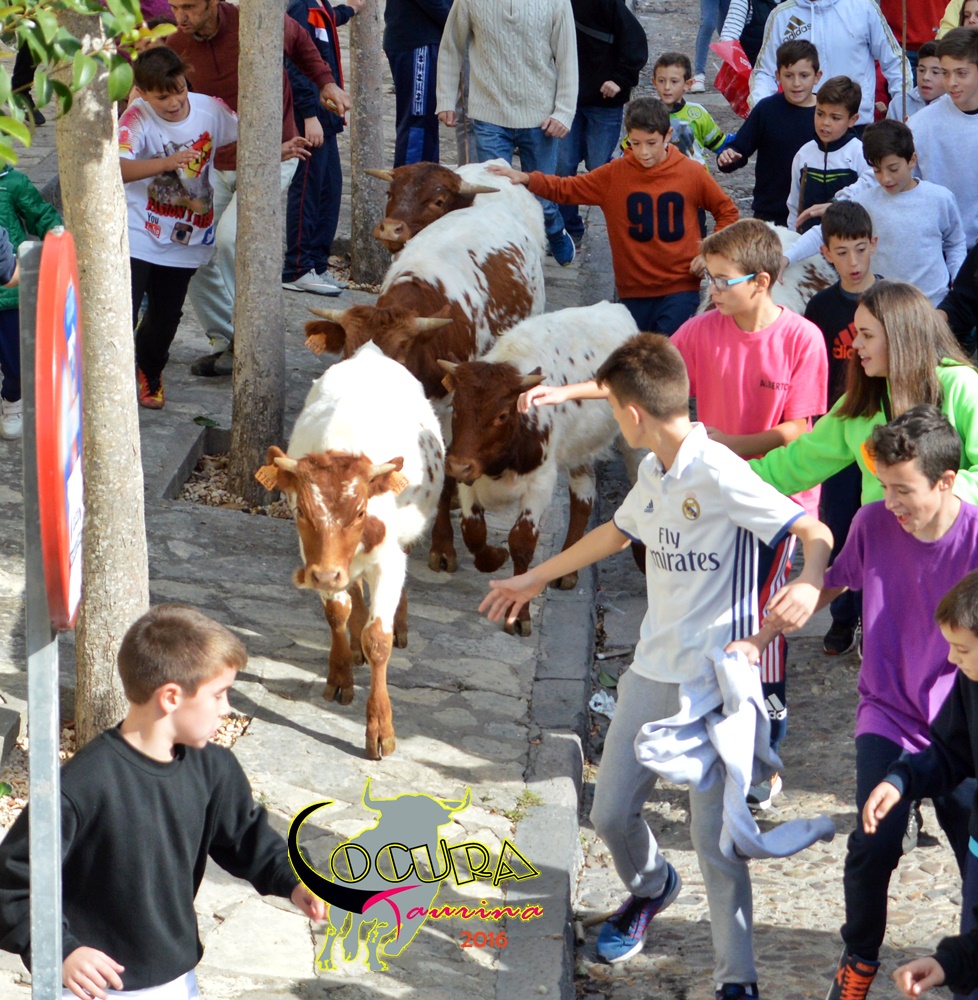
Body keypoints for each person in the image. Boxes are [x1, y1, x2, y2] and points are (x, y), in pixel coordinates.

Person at [480, 332, 833, 999]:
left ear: (635, 414)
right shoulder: (652, 470)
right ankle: (651, 886)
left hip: (715, 686)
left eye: (616, 410)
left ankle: (737, 981)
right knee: (610, 815)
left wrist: (809, 579)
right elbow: (619, 532)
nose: (616, 421)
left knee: (716, 843)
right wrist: (534, 578)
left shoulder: (721, 472)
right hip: (648, 672)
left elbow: (813, 531)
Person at [518, 220, 827, 807]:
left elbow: (795, 431)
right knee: (709, 627)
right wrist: (566, 392)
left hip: (773, 505)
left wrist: (721, 448)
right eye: (709, 277)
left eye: (722, 280)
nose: (711, 290)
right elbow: (641, 379)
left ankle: (762, 755)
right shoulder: (700, 330)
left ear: (761, 282)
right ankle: (707, 731)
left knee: (760, 632)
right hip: (705, 499)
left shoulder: (802, 339)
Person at [0, 604, 326, 999]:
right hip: (93, 989)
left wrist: (295, 881)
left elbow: (247, 838)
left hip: (177, 981)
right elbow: (11, 884)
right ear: (171, 696)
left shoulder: (213, 768)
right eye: (219, 694)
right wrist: (61, 951)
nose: (227, 709)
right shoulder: (82, 785)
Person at [796, 407, 978, 1000]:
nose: (890, 501)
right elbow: (837, 578)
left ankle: (967, 968)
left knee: (974, 851)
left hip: (959, 722)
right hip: (889, 711)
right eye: (883, 486)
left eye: (903, 489)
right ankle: (860, 957)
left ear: (946, 481)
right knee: (873, 843)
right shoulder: (872, 522)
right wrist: (774, 621)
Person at [166, 0, 351, 378]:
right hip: (216, 161)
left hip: (275, 151)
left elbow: (301, 42)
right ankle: (228, 339)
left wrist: (326, 83)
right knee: (188, 246)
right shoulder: (176, 43)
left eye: (189, 7)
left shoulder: (254, 22)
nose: (180, 16)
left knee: (229, 239)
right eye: (174, 7)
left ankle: (250, 336)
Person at [488, 98, 739, 335]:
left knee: (670, 353)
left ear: (668, 136)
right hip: (632, 291)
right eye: (635, 143)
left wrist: (710, 253)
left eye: (651, 143)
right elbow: (567, 188)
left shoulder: (692, 173)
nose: (643, 152)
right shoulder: (614, 174)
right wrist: (528, 178)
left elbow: (727, 211)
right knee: (637, 358)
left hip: (680, 287)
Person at [749, 281, 978, 514]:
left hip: (953, 535)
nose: (856, 344)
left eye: (867, 335)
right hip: (881, 535)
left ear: (900, 337)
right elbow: (796, 463)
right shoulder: (861, 401)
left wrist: (924, 494)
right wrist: (729, 477)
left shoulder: (960, 384)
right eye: (857, 333)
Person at [119, 47, 238, 410]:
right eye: (162, 97)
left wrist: (282, 148)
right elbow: (118, 168)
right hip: (139, 229)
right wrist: (167, 162)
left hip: (188, 235)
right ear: (141, 92)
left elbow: (248, 135)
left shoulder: (210, 109)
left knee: (166, 317)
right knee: (124, 309)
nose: (173, 103)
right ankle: (114, 381)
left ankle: (150, 370)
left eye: (180, 91)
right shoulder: (135, 118)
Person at [884, 571, 978, 1000]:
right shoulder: (971, 681)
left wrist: (953, 963)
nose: (952, 660)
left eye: (963, 649)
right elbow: (949, 749)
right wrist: (902, 779)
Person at [434, 0, 580, 267]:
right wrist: (445, 98)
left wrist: (564, 112)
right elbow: (451, 46)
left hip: (540, 115)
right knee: (494, 197)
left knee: (542, 199)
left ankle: (554, 228)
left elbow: (567, 57)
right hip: (489, 112)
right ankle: (508, 262)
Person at [784, 119, 966, 308]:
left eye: (893, 169)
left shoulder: (940, 198)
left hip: (932, 305)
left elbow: (955, 243)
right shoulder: (864, 202)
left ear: (912, 160)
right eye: (877, 171)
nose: (886, 178)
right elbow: (825, 232)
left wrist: (957, 279)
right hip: (883, 306)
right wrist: (787, 257)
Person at [802, 201, 877, 656]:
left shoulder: (891, 299)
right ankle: (842, 616)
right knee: (838, 524)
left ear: (874, 245)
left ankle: (874, 616)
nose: (853, 262)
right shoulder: (821, 307)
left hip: (882, 435)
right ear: (826, 253)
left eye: (861, 249)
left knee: (880, 525)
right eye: (842, 252)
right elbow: (813, 370)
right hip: (837, 435)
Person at [282, 0, 363, 297]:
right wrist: (308, 115)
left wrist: (350, 9)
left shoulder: (321, 5)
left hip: (327, 117)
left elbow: (330, 21)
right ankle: (297, 268)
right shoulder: (300, 7)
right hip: (311, 118)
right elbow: (295, 63)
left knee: (330, 190)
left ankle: (316, 264)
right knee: (307, 190)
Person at [554, 0, 648, 247]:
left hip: (604, 102)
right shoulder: (554, 5)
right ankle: (569, 228)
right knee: (564, 164)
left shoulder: (607, 4)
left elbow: (635, 41)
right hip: (568, 99)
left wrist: (620, 79)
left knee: (599, 166)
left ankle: (626, 223)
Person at [749, 0, 911, 126]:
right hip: (800, 124)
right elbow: (765, 73)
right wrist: (763, 115)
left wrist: (901, 111)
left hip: (855, 123)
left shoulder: (864, 8)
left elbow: (895, 61)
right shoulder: (782, 15)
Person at [717, 39, 820, 227]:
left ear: (817, 76)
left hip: (816, 214)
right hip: (771, 213)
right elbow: (740, 147)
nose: (796, 83)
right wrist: (729, 156)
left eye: (804, 75)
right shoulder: (766, 110)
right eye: (789, 75)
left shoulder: (826, 113)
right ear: (778, 76)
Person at [0, 163, 61, 439]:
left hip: (9, 293)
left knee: (16, 357)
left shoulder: (12, 182)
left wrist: (57, 238)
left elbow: (42, 215)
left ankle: (13, 398)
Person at [910, 28, 978, 247]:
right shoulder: (921, 123)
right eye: (946, 73)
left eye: (961, 73)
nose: (952, 82)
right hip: (936, 244)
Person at [786, 76, 867, 232]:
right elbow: (794, 204)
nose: (825, 123)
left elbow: (868, 198)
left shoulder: (860, 154)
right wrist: (792, 235)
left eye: (835, 118)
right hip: (807, 239)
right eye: (820, 114)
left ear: (852, 120)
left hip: (847, 237)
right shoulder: (804, 154)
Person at [382, 0, 451, 167]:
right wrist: (457, 24)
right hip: (417, 41)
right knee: (418, 120)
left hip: (420, 38)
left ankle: (426, 177)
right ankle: (413, 179)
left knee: (425, 120)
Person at [650, 51, 729, 167]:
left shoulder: (698, 113)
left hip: (696, 176)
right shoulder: (646, 115)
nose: (667, 87)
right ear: (654, 82)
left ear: (688, 84)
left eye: (674, 81)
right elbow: (628, 151)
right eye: (661, 81)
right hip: (660, 176)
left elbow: (720, 144)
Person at [887, 40, 946, 119]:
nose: (925, 77)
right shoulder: (899, 103)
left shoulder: (956, 106)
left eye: (935, 72)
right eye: (921, 70)